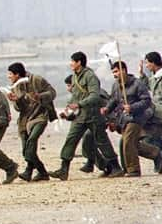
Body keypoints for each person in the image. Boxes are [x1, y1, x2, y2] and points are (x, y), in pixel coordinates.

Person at [49, 52, 124, 181]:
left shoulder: (90, 77)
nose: (71, 64)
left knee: (102, 142)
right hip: (80, 117)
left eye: (73, 61)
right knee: (70, 140)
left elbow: (95, 96)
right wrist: (68, 111)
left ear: (79, 62)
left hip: (93, 116)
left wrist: (79, 104)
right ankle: (63, 169)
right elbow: (75, 96)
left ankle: (116, 167)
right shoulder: (74, 77)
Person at [100, 61, 162, 177]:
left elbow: (146, 101)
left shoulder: (137, 84)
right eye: (113, 72)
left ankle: (133, 169)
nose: (115, 74)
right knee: (130, 144)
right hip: (124, 119)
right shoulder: (116, 85)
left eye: (116, 71)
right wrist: (107, 109)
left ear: (123, 70)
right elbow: (114, 100)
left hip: (137, 118)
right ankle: (160, 155)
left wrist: (132, 107)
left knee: (128, 141)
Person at [5, 62, 56, 182]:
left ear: (17, 74)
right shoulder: (15, 87)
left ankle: (33, 171)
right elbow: (19, 108)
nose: (9, 76)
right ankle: (38, 172)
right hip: (25, 119)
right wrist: (16, 101)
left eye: (10, 74)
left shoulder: (36, 80)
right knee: (26, 149)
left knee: (31, 143)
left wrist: (39, 96)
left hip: (40, 116)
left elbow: (52, 93)